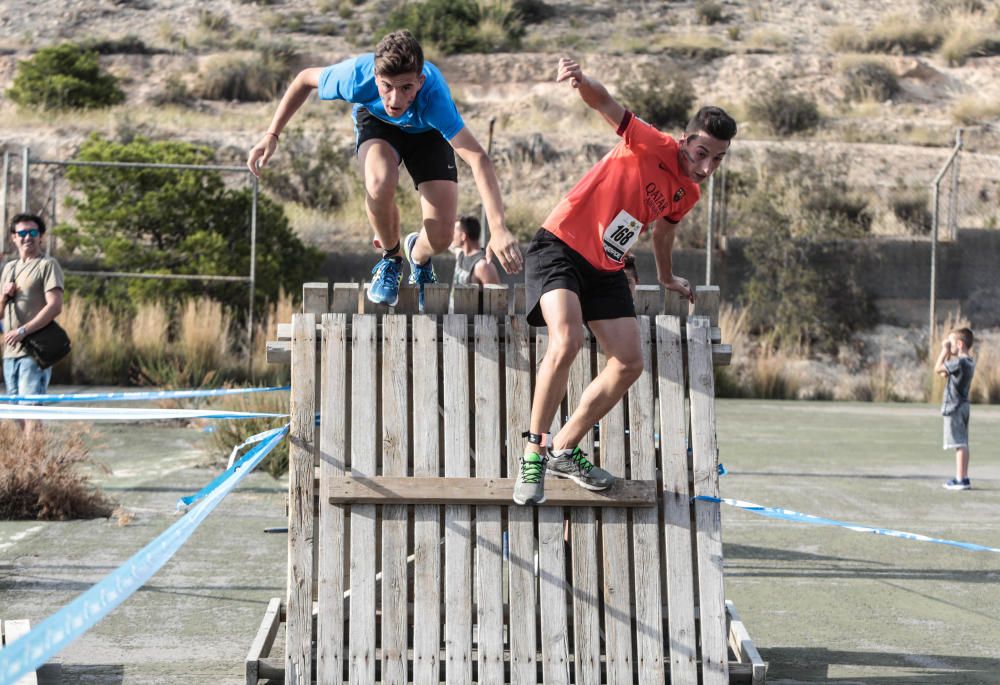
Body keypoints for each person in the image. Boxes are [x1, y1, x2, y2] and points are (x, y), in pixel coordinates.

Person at [514, 57, 736, 505]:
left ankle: (564, 448)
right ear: (685, 139)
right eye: (701, 154)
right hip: (561, 245)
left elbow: (665, 231)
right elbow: (607, 104)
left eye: (717, 159)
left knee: (629, 362)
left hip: (607, 266)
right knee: (567, 341)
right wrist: (581, 82)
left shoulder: (689, 191)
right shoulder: (651, 142)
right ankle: (533, 453)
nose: (707, 167)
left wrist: (668, 276)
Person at [246, 29, 522, 307]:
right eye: (386, 86)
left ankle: (418, 254)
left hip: (427, 133)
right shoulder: (356, 76)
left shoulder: (434, 98)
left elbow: (478, 158)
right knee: (378, 183)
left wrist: (498, 228)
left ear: (420, 81)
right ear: (376, 78)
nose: (395, 100)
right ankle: (391, 258)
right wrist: (272, 134)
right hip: (377, 125)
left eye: (406, 88)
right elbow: (304, 79)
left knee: (440, 237)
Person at [0, 213, 65, 434]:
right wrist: (3, 297)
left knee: (31, 414)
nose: (28, 237)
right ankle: (24, 465)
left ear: (41, 237)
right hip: (10, 354)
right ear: (13, 238)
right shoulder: (8, 269)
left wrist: (23, 330)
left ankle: (34, 468)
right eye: (23, 233)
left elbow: (55, 306)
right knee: (15, 416)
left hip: (33, 353)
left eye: (33, 233)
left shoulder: (48, 265)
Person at [934, 327, 976, 490]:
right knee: (963, 443)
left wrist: (944, 351)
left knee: (959, 444)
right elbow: (946, 374)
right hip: (964, 405)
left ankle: (960, 480)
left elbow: (938, 368)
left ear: (959, 344)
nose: (948, 345)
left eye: (951, 343)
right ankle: (963, 476)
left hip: (954, 406)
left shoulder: (958, 362)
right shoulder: (969, 361)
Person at [450, 214, 501, 286]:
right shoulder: (460, 254)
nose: (451, 235)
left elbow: (496, 296)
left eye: (454, 232)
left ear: (463, 236)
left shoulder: (483, 266)